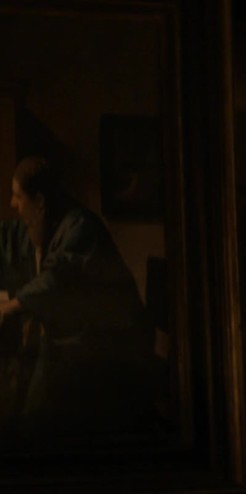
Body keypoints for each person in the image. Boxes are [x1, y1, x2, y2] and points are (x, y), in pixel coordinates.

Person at [0, 155, 158, 443]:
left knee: (36, 420)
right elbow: (9, 239)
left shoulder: (80, 227)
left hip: (108, 352)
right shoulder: (41, 223)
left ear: (39, 200)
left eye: (17, 196)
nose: (12, 204)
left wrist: (9, 306)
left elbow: (57, 277)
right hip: (73, 347)